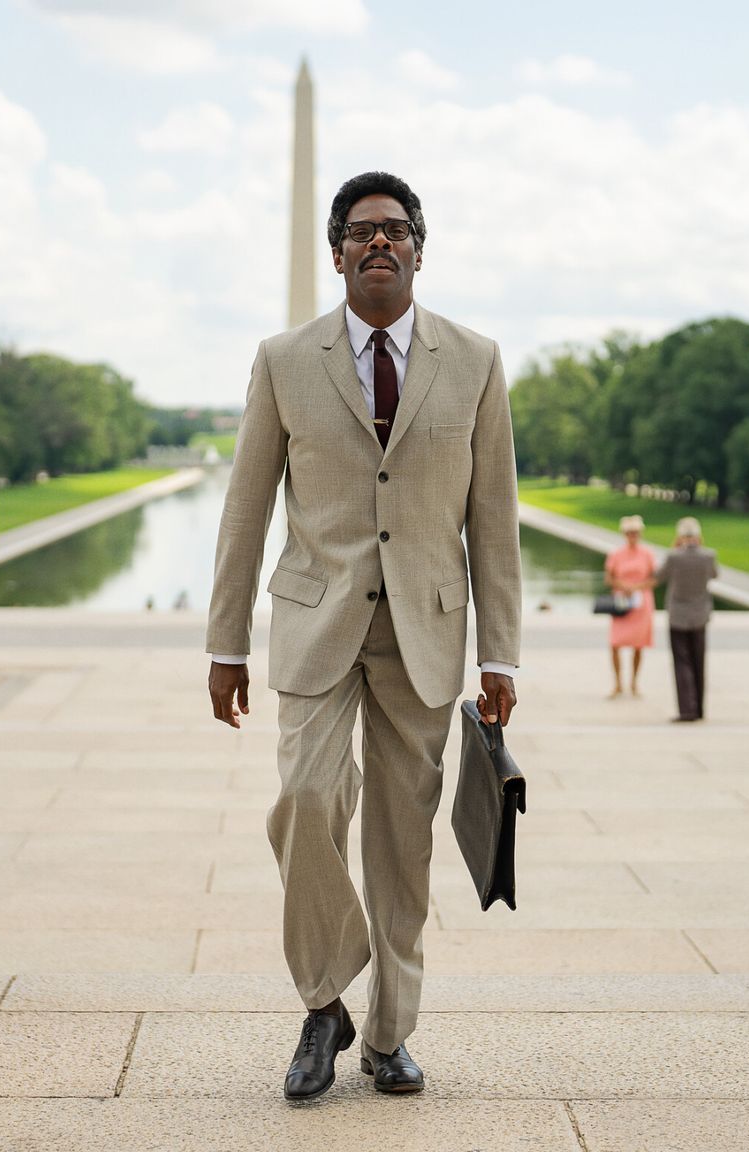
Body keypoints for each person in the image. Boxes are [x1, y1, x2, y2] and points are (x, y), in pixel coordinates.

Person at [207, 172, 520, 1100]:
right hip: (317, 619)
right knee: (305, 802)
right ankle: (323, 1000)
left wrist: (500, 653)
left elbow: (494, 516)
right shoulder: (282, 358)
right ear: (337, 250)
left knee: (400, 842)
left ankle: (388, 1033)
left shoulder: (475, 359)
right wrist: (225, 642)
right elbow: (245, 505)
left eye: (393, 231)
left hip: (424, 628)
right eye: (359, 232)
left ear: (421, 247)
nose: (377, 244)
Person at [661, 517, 718, 721]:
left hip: (678, 615)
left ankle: (687, 709)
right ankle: (699, 708)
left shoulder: (673, 556)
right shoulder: (709, 556)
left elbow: (660, 576)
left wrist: (675, 549)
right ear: (698, 536)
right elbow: (713, 575)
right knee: (698, 662)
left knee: (681, 662)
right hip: (700, 615)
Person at [604, 515, 658, 698]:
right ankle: (617, 683)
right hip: (622, 602)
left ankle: (634, 683)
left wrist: (637, 587)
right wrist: (622, 586)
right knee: (615, 643)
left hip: (641, 602)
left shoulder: (647, 554)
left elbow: (654, 578)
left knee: (638, 644)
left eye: (635, 533)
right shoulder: (616, 554)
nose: (632, 535)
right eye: (629, 533)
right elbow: (609, 578)